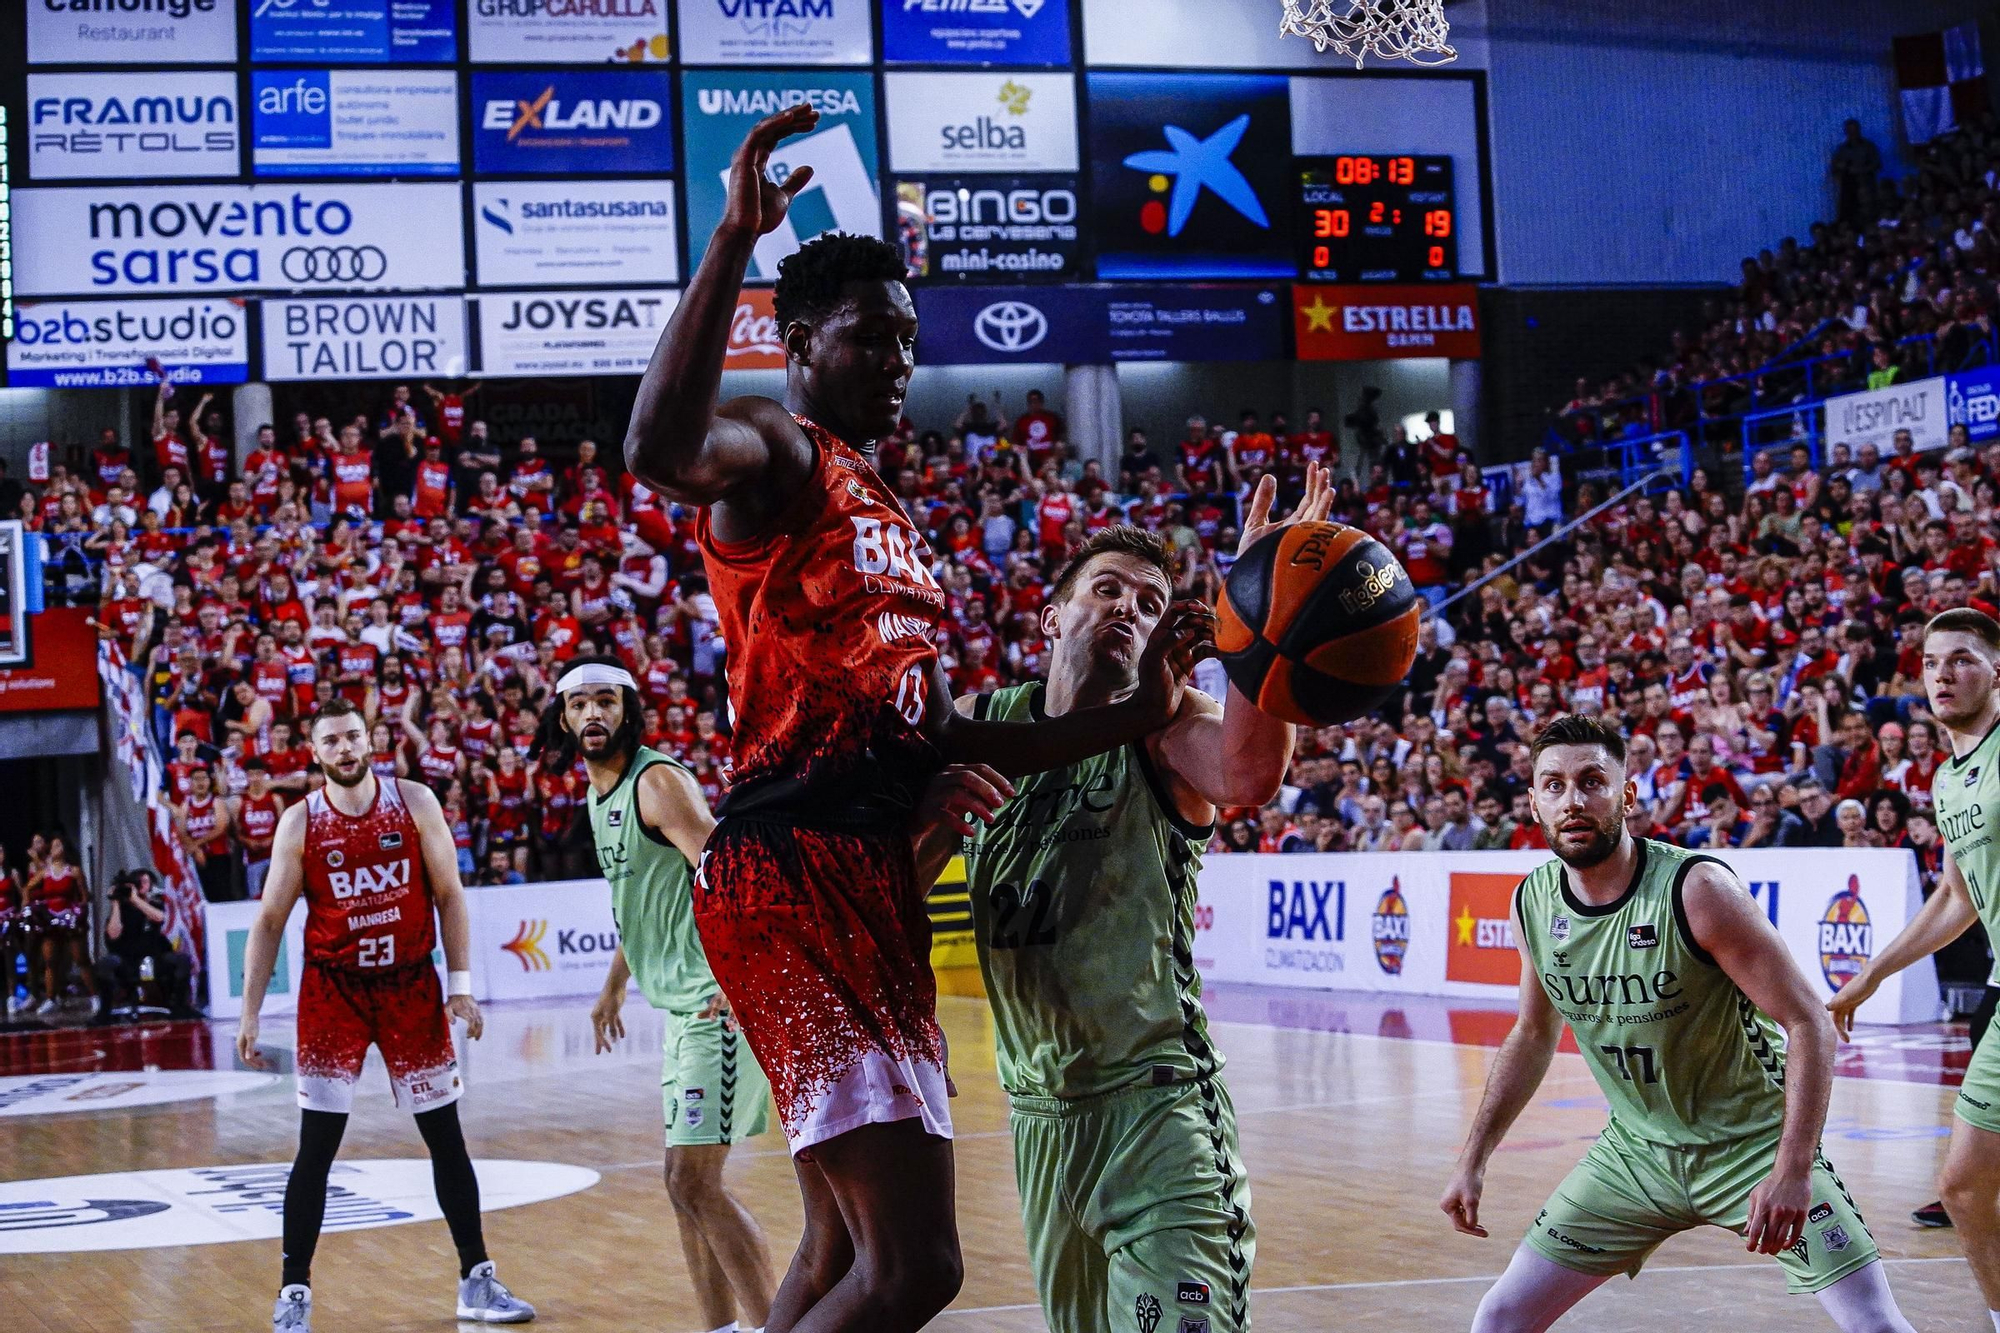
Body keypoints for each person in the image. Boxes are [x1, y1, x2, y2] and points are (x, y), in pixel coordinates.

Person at [621, 104, 1209, 1333]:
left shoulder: (879, 497)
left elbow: (948, 731)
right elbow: (658, 446)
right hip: (793, 864)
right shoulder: (779, 449)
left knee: (840, 1242)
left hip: (856, 872)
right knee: (916, 1267)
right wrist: (731, 240)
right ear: (794, 342)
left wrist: (1136, 714)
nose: (897, 360)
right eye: (871, 337)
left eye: (907, 340)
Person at [932, 470, 1325, 1333]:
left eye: (1150, 603)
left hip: (1155, 1110)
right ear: (1052, 616)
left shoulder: (1166, 724)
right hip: (1037, 1118)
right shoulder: (982, 720)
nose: (1128, 608)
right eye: (1106, 589)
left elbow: (1252, 773)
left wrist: (1267, 605)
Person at [1440, 714, 1914, 1333]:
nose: (1573, 800)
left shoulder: (1698, 890)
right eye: (1553, 786)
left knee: (1873, 1324)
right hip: (1634, 1154)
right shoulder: (1532, 901)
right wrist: (1473, 1157)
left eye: (1592, 782)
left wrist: (1793, 1169)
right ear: (1533, 803)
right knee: (1500, 1317)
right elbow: (1533, 1032)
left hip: (1752, 1147)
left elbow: (1809, 1023)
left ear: (1627, 796)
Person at [235, 699, 534, 1332]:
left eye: (352, 737)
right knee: (315, 1148)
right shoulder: (300, 823)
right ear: (314, 754)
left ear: (371, 741)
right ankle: (294, 1294)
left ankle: (476, 1282)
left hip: (409, 986)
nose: (344, 749)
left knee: (445, 1137)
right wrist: (250, 1014)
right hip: (332, 992)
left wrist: (460, 985)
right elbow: (267, 922)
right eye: (331, 742)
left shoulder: (416, 802)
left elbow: (450, 895)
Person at [540, 655, 777, 1333]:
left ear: (629, 710)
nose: (593, 714)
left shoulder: (657, 781)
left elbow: (728, 874)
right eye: (580, 704)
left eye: (605, 701)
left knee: (693, 1180)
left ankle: (770, 1326)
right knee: (683, 1189)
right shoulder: (597, 793)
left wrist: (741, 976)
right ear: (564, 718)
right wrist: (613, 985)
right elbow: (638, 901)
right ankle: (722, 1329)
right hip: (678, 1009)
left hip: (716, 1004)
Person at [1829, 608, 2000, 1323]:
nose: (1943, 674)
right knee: (1963, 1188)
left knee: (1964, 1184)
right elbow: (1956, 900)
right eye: (1932, 662)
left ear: (1996, 669)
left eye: (1962, 658)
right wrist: (1873, 972)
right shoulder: (1949, 779)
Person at [93, 870, 194, 1018]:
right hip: (127, 958)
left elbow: (159, 918)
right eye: (139, 881)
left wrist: (136, 900)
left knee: (182, 960)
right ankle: (104, 1012)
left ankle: (180, 1007)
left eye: (146, 881)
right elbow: (113, 934)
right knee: (105, 964)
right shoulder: (122, 909)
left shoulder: (156, 904)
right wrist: (115, 903)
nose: (142, 885)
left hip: (155, 955)